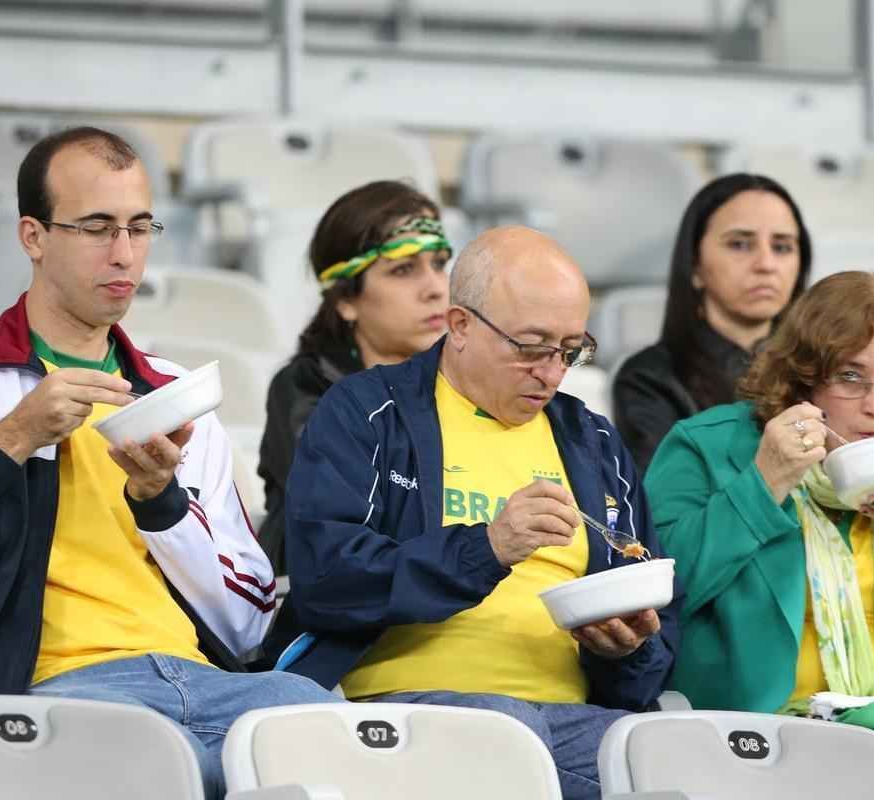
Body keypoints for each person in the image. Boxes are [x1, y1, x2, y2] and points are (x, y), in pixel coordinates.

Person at [0, 127, 335, 800]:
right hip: (56, 692)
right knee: (188, 777)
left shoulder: (174, 394)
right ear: (33, 237)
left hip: (205, 681)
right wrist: (13, 439)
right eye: (96, 228)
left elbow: (250, 619)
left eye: (139, 228)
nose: (124, 255)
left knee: (347, 754)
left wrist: (162, 502)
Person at [282, 226, 681, 800]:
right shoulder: (369, 412)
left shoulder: (593, 441)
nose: (552, 372)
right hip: (417, 711)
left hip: (575, 718)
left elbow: (658, 628)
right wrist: (487, 549)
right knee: (510, 748)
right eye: (530, 346)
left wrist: (629, 650)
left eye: (571, 349)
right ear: (461, 325)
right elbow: (327, 579)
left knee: (689, 764)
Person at [644, 271, 874, 728]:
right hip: (763, 737)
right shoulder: (710, 446)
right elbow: (655, 601)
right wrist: (763, 484)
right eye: (851, 377)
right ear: (802, 381)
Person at [256, 180, 451, 572]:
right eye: (403, 270)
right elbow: (352, 518)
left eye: (440, 264)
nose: (435, 287)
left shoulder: (468, 384)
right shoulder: (305, 387)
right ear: (346, 299)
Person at [613, 173, 811, 473]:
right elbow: (666, 509)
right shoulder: (649, 380)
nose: (766, 264)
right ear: (694, 265)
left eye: (782, 247)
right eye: (740, 244)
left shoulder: (816, 370)